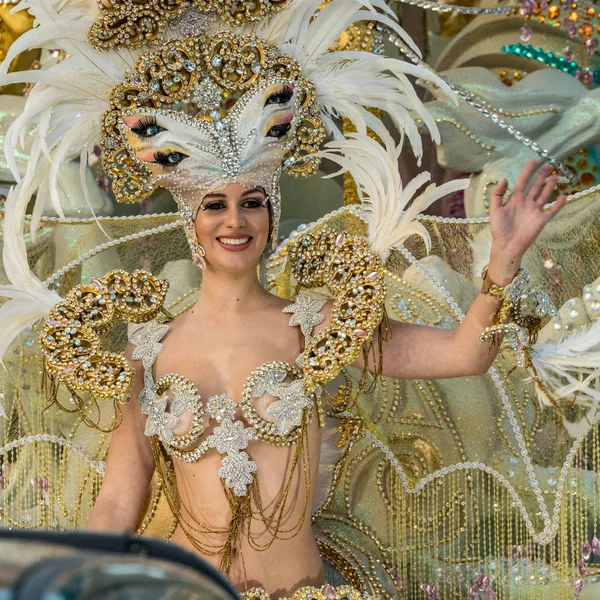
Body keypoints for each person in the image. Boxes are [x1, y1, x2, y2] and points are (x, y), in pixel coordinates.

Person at [0, 1, 593, 599]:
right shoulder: (147, 351)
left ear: (272, 212)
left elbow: (466, 356)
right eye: (215, 204)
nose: (235, 221)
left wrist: (502, 262)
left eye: (251, 202)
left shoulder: (317, 324)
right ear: (191, 219)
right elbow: (117, 504)